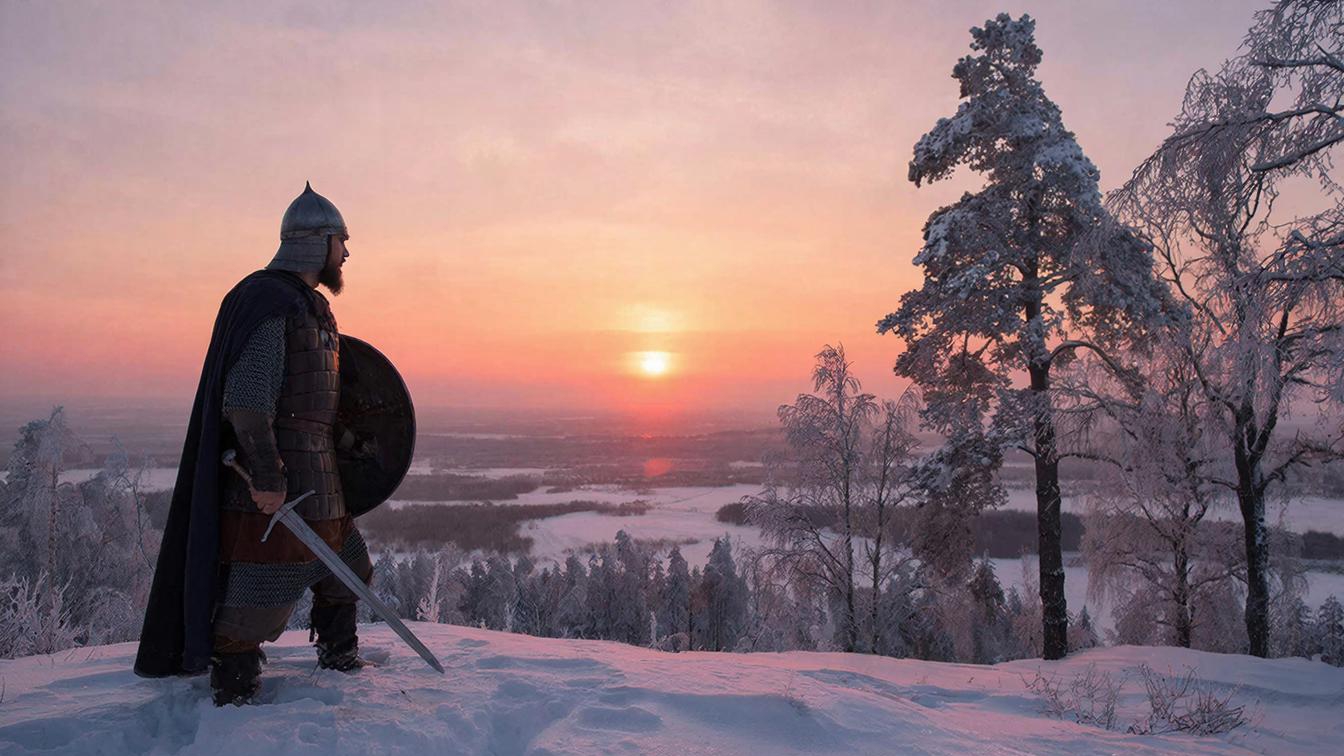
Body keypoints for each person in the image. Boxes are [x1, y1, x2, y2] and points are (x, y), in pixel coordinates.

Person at [135, 182, 373, 705]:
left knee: (347, 570)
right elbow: (247, 399)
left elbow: (315, 400)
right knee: (257, 596)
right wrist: (266, 474)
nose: (347, 253)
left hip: (321, 476)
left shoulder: (310, 306)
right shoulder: (267, 300)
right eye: (342, 241)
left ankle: (339, 659)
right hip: (276, 483)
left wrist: (352, 438)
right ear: (316, 242)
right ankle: (234, 688)